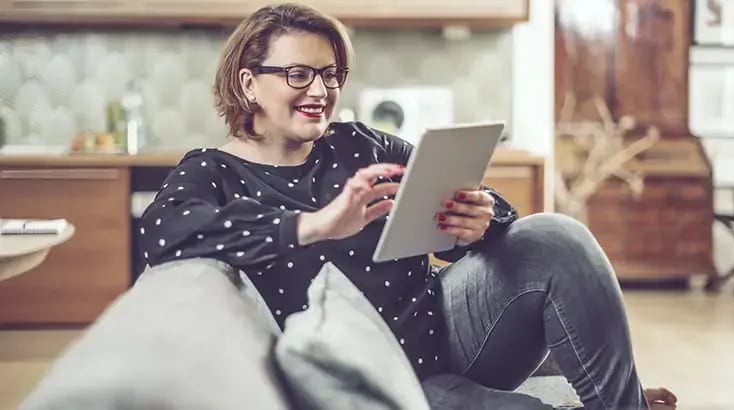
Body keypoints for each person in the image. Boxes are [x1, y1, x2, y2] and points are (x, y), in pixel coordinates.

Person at [138, 3, 678, 409]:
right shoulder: (212, 170)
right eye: (298, 74)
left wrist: (483, 219)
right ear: (249, 83)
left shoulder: (361, 144)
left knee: (555, 236)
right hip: (366, 377)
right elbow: (161, 236)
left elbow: (490, 212)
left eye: (331, 74)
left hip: (443, 334)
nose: (320, 89)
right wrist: (312, 225)